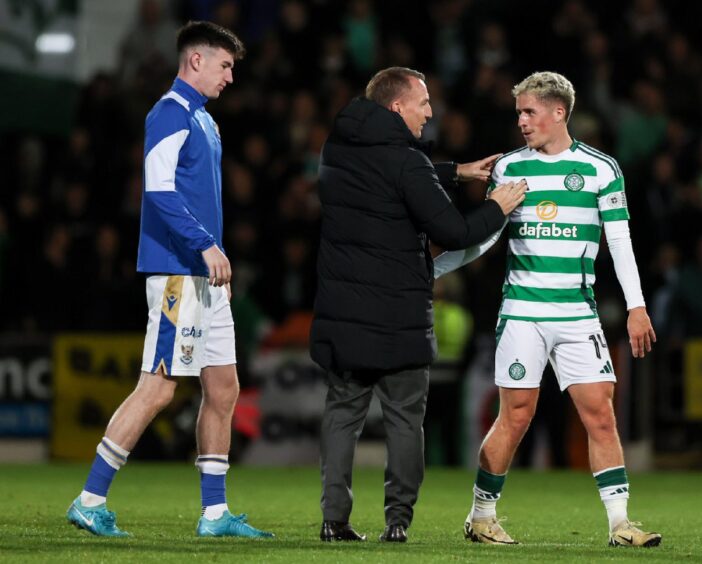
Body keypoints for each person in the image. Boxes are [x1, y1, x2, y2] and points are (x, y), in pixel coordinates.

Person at [434, 71, 662, 547]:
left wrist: (637, 307)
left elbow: (619, 243)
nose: (521, 120)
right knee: (515, 415)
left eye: (529, 111)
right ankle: (481, 516)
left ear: (559, 112)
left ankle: (621, 524)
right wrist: (433, 269)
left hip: (578, 314)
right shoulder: (510, 168)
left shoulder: (601, 169)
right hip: (522, 312)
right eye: (518, 112)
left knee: (600, 414)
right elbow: (488, 235)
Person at [66, 21, 272, 539]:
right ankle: (89, 499)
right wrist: (204, 245)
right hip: (181, 273)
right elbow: (158, 192)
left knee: (224, 389)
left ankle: (214, 513)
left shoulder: (204, 120)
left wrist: (212, 254)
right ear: (195, 61)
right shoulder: (168, 113)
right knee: (157, 389)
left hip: (207, 278)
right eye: (225, 66)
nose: (230, 78)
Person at [310, 66, 526, 544]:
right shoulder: (408, 163)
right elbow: (454, 232)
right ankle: (397, 522)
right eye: (423, 103)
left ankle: (334, 520)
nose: (431, 112)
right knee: (405, 420)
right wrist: (499, 207)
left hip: (343, 313)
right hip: (398, 317)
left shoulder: (337, 148)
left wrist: (455, 171)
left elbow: (388, 179)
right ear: (396, 107)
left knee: (341, 416)